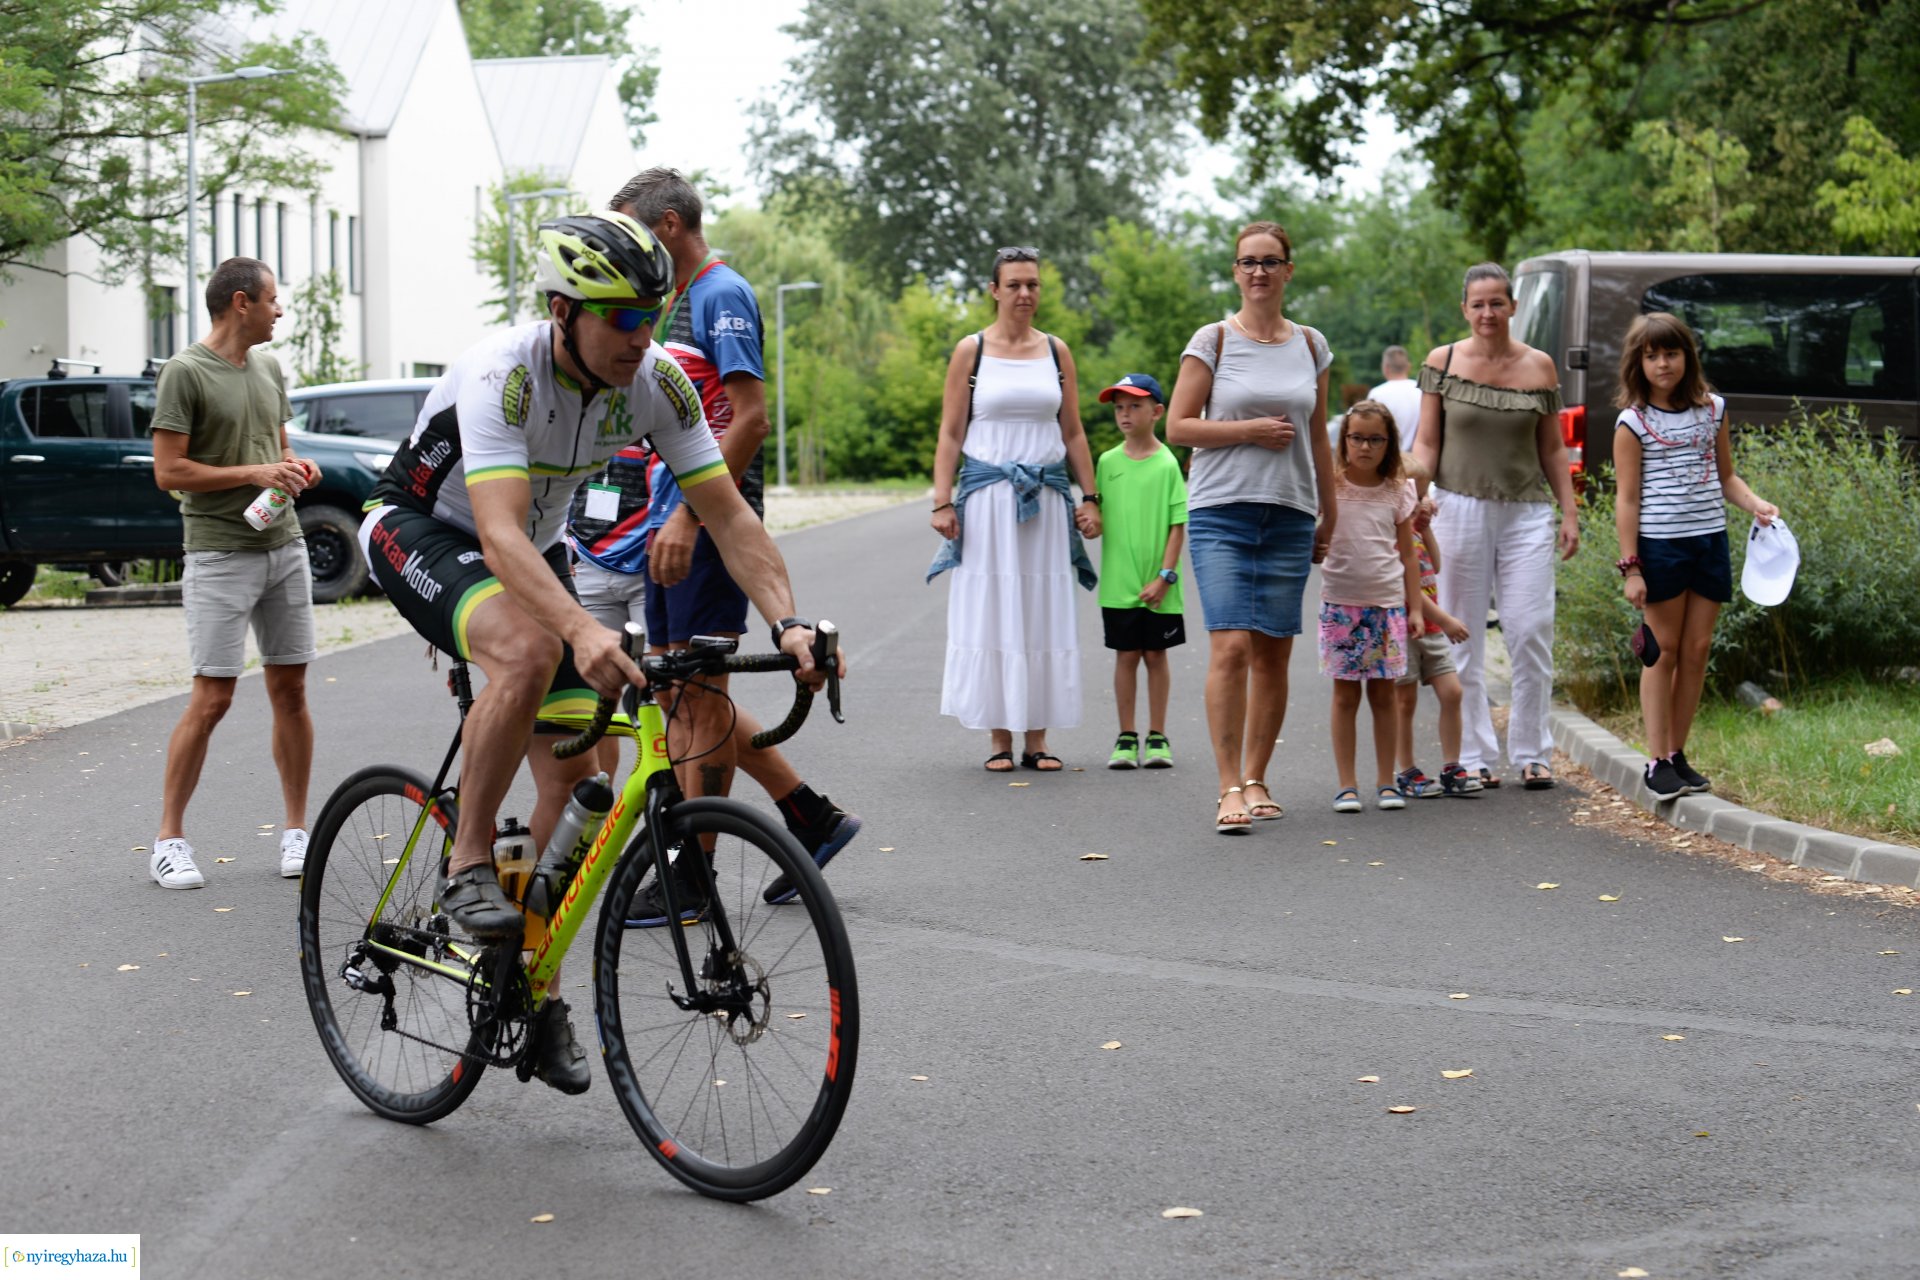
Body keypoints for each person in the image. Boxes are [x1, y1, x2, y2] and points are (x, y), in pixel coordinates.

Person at [358, 211, 830, 1094]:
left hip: (534, 553)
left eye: (650, 315)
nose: (638, 336)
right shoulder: (504, 376)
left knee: (580, 791)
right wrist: (581, 628)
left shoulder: (655, 383)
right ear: (560, 309)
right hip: (423, 528)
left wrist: (789, 623)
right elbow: (497, 535)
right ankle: (465, 866)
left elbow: (729, 515)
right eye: (617, 316)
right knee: (531, 648)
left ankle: (526, 994)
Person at [607, 169, 859, 906]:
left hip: (711, 523)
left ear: (671, 228)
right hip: (671, 517)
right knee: (685, 694)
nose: (626, 248)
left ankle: (694, 874)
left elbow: (749, 419)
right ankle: (810, 817)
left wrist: (690, 514)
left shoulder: (721, 294)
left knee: (696, 696)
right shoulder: (675, 300)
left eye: (632, 232)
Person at [147, 257, 321, 889]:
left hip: (284, 543)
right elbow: (169, 472)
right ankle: (169, 838)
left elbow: (277, 451)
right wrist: (254, 474)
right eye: (273, 301)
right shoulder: (185, 373)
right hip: (220, 552)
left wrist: (294, 469)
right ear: (242, 302)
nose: (280, 311)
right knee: (213, 697)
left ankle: (297, 833)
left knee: (292, 692)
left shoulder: (270, 367)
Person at [1165, 221, 1336, 834]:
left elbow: (1317, 436)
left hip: (1290, 512)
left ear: (1289, 270)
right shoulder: (1212, 339)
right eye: (1247, 262)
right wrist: (1249, 431)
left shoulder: (1312, 346)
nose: (1258, 272)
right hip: (1220, 511)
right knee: (1231, 645)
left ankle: (1259, 777)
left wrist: (1330, 510)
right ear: (1235, 272)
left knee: (1273, 652)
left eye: (1270, 261)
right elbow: (1178, 427)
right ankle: (1227, 786)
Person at [928, 246, 1100, 772]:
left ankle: (1039, 738)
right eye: (1015, 284)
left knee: (1042, 609)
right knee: (995, 608)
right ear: (994, 290)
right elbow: (952, 431)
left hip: (1046, 503)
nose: (1026, 294)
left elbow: (1071, 430)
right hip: (988, 503)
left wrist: (1089, 497)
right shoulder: (972, 351)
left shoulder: (1056, 351)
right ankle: (1000, 739)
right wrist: (941, 501)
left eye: (1034, 284)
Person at [1410, 262, 1580, 791]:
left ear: (1513, 306)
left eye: (1497, 302)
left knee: (1530, 629)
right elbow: (1427, 444)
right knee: (1461, 631)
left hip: (1526, 512)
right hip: (1458, 507)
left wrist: (1569, 511)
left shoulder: (1541, 367)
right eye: (1478, 304)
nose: (1488, 312)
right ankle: (1473, 754)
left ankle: (1532, 750)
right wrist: (1414, 500)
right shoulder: (1443, 361)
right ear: (1465, 309)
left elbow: (1553, 447)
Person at [1613, 311, 1777, 800]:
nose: (1663, 364)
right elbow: (1628, 499)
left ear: (1688, 356)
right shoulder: (1633, 422)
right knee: (1662, 652)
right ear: (1638, 364)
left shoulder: (1713, 409)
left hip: (1709, 541)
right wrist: (1632, 567)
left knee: (1698, 650)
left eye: (1672, 353)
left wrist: (1755, 504)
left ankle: (1678, 754)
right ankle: (1656, 759)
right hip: (1660, 548)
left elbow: (1727, 477)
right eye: (1652, 356)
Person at [1318, 402, 1421, 813]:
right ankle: (1347, 784)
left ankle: (1385, 781)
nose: (1365, 446)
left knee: (1383, 696)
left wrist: (1415, 609)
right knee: (1345, 697)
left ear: (1388, 443)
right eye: (1357, 437)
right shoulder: (1331, 486)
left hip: (1386, 606)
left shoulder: (1399, 490)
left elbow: (1409, 556)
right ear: (1344, 440)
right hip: (1341, 605)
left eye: (1375, 439)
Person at [1092, 373, 1187, 770]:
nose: (1125, 414)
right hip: (1118, 586)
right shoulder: (1107, 463)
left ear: (1157, 411)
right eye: (1119, 408)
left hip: (1160, 588)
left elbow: (1177, 525)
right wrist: (1089, 520)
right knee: (1126, 656)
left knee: (1156, 656)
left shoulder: (1168, 464)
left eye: (1134, 406)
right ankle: (1126, 736)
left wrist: (1164, 578)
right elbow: (1097, 517)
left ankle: (1158, 735)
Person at [1390, 457, 1472, 798]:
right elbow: (1401, 585)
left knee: (1452, 691)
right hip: (1404, 627)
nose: (1422, 502)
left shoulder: (1415, 531)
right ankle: (1406, 770)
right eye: (1415, 494)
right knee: (1404, 701)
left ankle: (1452, 765)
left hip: (1432, 629)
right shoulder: (1391, 534)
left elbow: (1435, 565)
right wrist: (1445, 619)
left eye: (1424, 494)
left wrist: (1425, 529)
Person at [1369, 345, 1425, 453]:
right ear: (1409, 367)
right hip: (1417, 460)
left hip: (1388, 460)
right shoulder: (1422, 391)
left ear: (1385, 367)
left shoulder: (1376, 394)